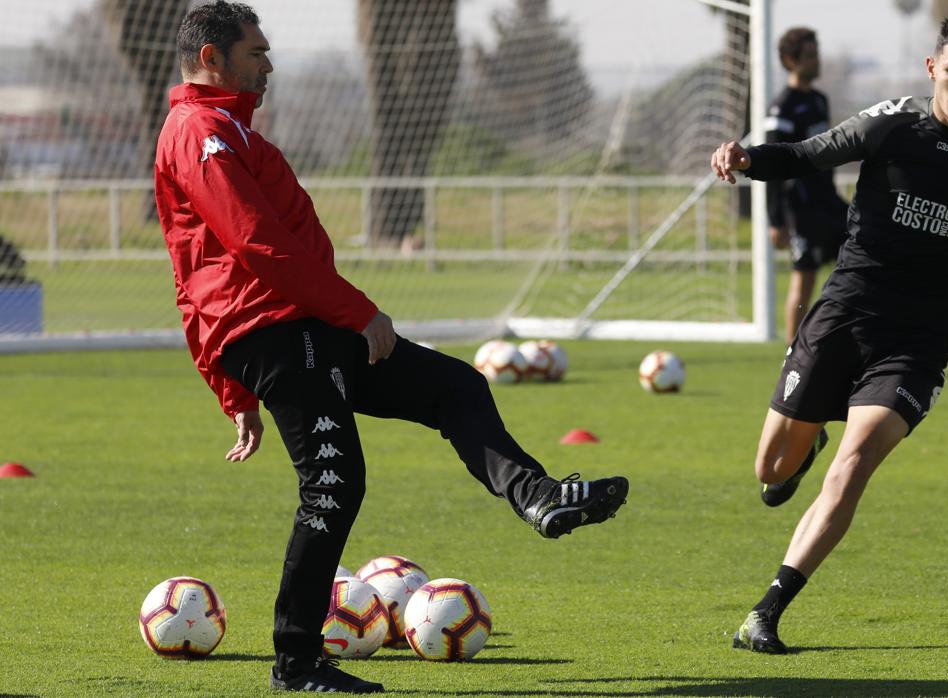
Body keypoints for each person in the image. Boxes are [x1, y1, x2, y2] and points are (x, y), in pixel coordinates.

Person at [154, 2, 628, 693]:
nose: (269, 64)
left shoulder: (226, 128)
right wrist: (356, 313)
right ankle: (296, 661)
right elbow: (256, 247)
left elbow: (199, 266)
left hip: (302, 326)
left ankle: (539, 496)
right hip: (280, 331)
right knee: (334, 484)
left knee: (455, 386)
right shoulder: (201, 131)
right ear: (211, 60)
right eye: (255, 53)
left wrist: (239, 390)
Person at [711, 14, 948, 653]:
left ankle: (767, 610)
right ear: (932, 69)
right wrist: (748, 157)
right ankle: (801, 451)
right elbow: (811, 154)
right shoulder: (893, 122)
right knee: (771, 467)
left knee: (857, 460)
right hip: (845, 312)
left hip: (918, 343)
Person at [765, 27, 849, 343]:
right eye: (811, 56)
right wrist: (776, 219)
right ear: (791, 60)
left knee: (863, 258)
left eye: (817, 54)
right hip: (800, 209)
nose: (817, 61)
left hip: (828, 202)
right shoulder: (781, 109)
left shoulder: (818, 101)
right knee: (804, 280)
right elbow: (772, 165)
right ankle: (792, 356)